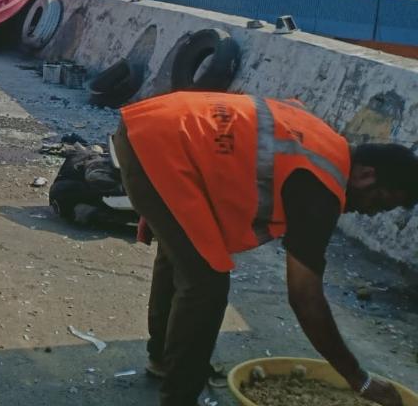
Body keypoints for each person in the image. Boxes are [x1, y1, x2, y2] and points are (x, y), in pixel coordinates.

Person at [111, 91, 418, 406]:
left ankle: (164, 360)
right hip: (159, 146)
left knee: (185, 257)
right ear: (367, 175)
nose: (368, 212)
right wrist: (360, 380)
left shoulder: (322, 140)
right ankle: (179, 398)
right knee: (207, 286)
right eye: (380, 202)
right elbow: (305, 298)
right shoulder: (321, 188)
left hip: (151, 126)